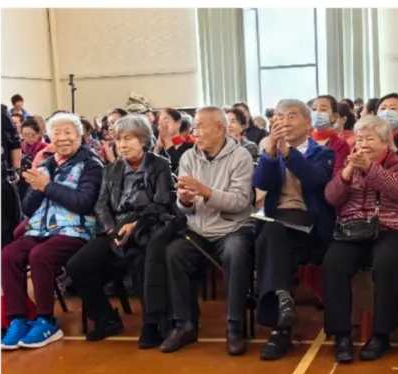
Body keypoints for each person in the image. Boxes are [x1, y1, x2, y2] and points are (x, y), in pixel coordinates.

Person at [148, 106, 256, 354]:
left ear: (219, 128)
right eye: (194, 126)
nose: (195, 132)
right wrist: (184, 200)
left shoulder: (241, 156)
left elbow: (240, 203)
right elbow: (185, 207)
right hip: (198, 228)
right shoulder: (189, 157)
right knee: (174, 253)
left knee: (236, 252)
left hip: (232, 228)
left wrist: (204, 191)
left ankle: (234, 325)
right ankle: (185, 324)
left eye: (200, 126)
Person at [64, 114, 174, 341]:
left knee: (140, 261)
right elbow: (101, 205)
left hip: (146, 227)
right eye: (118, 139)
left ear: (143, 140)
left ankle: (152, 323)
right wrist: (112, 230)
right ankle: (106, 319)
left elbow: (162, 203)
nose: (122, 145)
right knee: (77, 265)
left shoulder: (160, 165)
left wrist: (135, 224)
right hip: (115, 230)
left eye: (128, 139)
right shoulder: (111, 169)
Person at [321, 114, 398, 363]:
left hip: (392, 228)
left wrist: (370, 168)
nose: (363, 144)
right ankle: (341, 335)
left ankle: (381, 335)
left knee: (386, 263)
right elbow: (331, 197)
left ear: (386, 142)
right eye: (360, 138)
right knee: (333, 262)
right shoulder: (348, 164)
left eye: (370, 139)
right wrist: (348, 172)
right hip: (353, 229)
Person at [2, 112, 103, 350]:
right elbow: (28, 208)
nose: (63, 138)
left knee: (40, 255)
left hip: (75, 231)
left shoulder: (91, 164)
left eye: (68, 132)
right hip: (40, 230)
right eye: (57, 133)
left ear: (80, 136)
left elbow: (83, 203)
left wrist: (47, 186)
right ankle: (18, 319)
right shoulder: (46, 165)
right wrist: (36, 185)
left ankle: (46, 320)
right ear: (50, 137)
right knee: (8, 255)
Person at [253, 98, 336, 360]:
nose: (284, 121)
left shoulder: (323, 153)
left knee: (271, 237)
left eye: (291, 116)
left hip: (310, 224)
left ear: (308, 123)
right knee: (273, 234)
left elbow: (315, 180)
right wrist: (270, 155)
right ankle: (282, 305)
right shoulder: (270, 150)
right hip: (277, 223)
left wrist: (288, 152)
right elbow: (262, 183)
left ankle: (279, 326)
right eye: (279, 116)